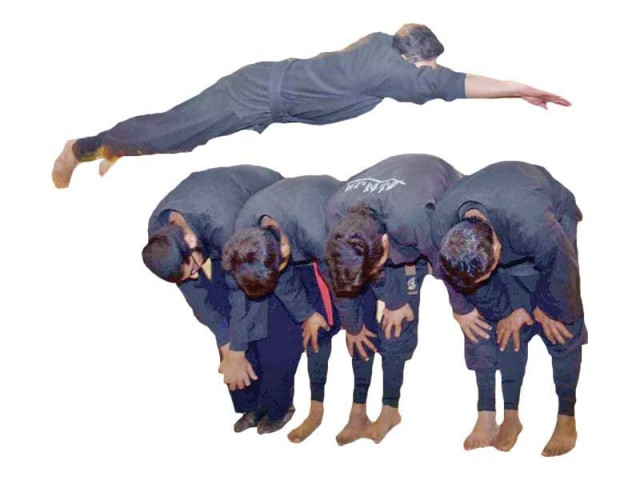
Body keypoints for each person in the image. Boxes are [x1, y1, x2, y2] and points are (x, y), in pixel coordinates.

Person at [52, 23, 570, 188]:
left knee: (174, 132)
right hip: (254, 96)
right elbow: (455, 85)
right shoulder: (388, 71)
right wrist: (519, 88)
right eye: (426, 67)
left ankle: (124, 145)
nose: (429, 74)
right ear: (411, 62)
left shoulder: (382, 43)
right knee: (174, 134)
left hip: (263, 87)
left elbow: (435, 70)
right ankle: (85, 147)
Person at [431, 161, 586, 456]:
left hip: (551, 221)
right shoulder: (443, 226)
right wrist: (510, 312)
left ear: (498, 248)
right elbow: (463, 280)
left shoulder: (534, 224)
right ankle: (511, 415)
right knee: (507, 329)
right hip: (503, 221)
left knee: (562, 329)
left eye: (488, 272)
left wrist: (545, 308)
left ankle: (566, 416)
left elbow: (561, 267)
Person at [142, 165, 305, 434]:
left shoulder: (225, 224)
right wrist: (226, 344)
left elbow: (244, 293)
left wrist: (238, 350)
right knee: (228, 336)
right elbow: (196, 295)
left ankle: (279, 406)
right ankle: (252, 404)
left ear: (189, 240)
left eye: (194, 268)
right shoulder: (159, 234)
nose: (195, 276)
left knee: (270, 323)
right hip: (217, 231)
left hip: (261, 213)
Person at [324, 153, 474, 444]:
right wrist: (353, 326)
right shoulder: (336, 216)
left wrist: (461, 308)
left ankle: (390, 409)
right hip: (384, 213)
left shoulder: (417, 220)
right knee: (360, 330)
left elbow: (446, 262)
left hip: (431, 188)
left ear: (385, 245)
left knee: (395, 325)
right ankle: (357, 410)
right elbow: (341, 281)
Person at [222, 174, 344, 442]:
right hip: (293, 229)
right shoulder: (246, 232)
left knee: (319, 327)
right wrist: (235, 347)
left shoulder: (318, 234)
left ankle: (312, 407)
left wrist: (333, 319)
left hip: (324, 239)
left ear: (285, 251)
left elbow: (340, 280)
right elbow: (277, 280)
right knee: (268, 333)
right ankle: (262, 404)